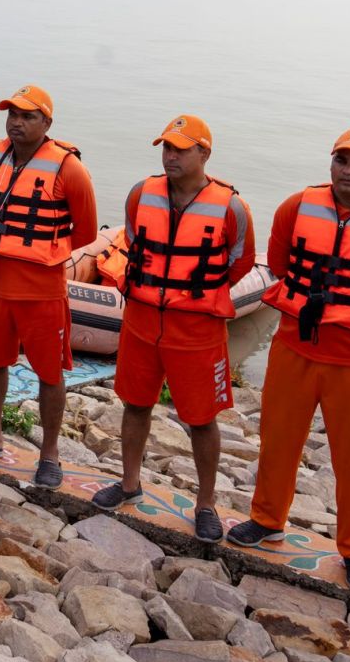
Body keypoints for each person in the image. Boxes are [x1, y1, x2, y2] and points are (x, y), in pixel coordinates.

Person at [226, 127, 350, 596]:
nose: (348, 170)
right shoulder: (297, 206)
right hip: (295, 347)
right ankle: (266, 519)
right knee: (277, 441)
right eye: (341, 160)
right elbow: (277, 263)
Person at [92, 115, 254, 542]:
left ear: (204, 153)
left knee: (201, 419)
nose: (170, 156)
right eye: (166, 148)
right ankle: (129, 483)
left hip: (196, 328)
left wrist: (196, 296)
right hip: (143, 320)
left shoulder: (230, 207)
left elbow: (239, 262)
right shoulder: (141, 193)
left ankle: (205, 503)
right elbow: (132, 240)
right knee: (135, 403)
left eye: (180, 149)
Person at [0, 85, 97, 488]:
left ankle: (50, 454)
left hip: (42, 290)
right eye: (12, 114)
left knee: (50, 373)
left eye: (28, 116)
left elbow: (85, 232)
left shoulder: (69, 168)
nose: (17, 122)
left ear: (47, 123)